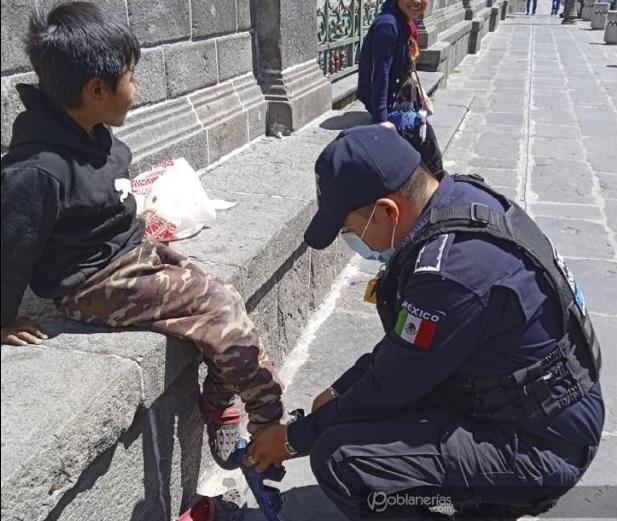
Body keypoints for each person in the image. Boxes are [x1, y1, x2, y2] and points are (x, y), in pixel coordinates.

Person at [246, 125, 604, 520]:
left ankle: (455, 510)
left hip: (542, 449)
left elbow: (391, 386)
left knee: (343, 459)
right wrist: (340, 389)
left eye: (349, 230)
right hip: (540, 411)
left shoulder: (451, 273)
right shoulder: (458, 199)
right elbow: (410, 350)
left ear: (386, 211)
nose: (353, 240)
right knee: (348, 412)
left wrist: (294, 440)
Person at [0, 1, 283, 471]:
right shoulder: (37, 170)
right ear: (96, 89)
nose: (136, 90)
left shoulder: (92, 132)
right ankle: (268, 421)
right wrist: (3, 319)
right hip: (91, 284)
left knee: (220, 291)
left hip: (129, 256)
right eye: (131, 78)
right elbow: (10, 248)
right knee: (218, 306)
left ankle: (219, 390)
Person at [357, 0, 444, 175]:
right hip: (390, 106)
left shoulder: (403, 20)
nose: (417, 1)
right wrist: (382, 123)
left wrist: (421, 94)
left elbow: (407, 65)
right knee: (429, 154)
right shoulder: (388, 25)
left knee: (427, 144)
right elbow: (381, 75)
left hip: (402, 96)